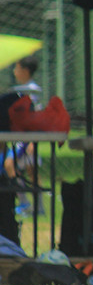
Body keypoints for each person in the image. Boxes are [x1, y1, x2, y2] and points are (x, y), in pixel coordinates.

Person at [6, 54, 43, 216]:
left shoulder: (30, 91)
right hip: (22, 138)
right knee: (29, 171)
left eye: (17, 67)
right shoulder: (23, 90)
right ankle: (33, 206)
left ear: (25, 70)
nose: (15, 71)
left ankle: (28, 204)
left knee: (10, 166)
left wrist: (31, 141)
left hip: (26, 139)